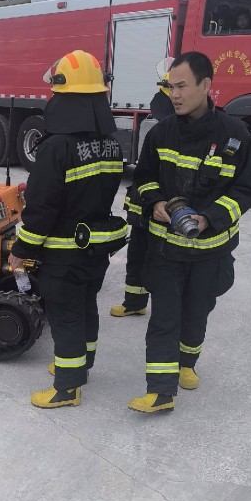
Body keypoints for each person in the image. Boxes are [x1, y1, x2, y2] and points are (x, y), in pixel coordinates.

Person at [128, 51, 251, 414]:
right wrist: (155, 202)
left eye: (182, 86)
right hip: (166, 251)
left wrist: (209, 218)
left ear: (206, 85)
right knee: (164, 318)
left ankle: (187, 363)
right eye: (171, 87)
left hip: (210, 253)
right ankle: (160, 392)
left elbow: (247, 189)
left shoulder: (235, 136)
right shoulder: (161, 134)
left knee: (196, 312)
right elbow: (143, 180)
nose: (175, 95)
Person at [9, 50, 127, 409]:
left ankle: (67, 387)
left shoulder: (56, 147)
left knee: (65, 316)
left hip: (63, 253)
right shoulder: (111, 143)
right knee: (86, 306)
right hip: (95, 248)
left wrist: (21, 250)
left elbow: (42, 208)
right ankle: (82, 364)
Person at [110, 63, 175, 319]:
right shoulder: (160, 126)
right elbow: (145, 171)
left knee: (159, 259)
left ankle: (164, 308)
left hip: (162, 209)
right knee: (137, 255)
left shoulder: (175, 131)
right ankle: (134, 302)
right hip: (145, 206)